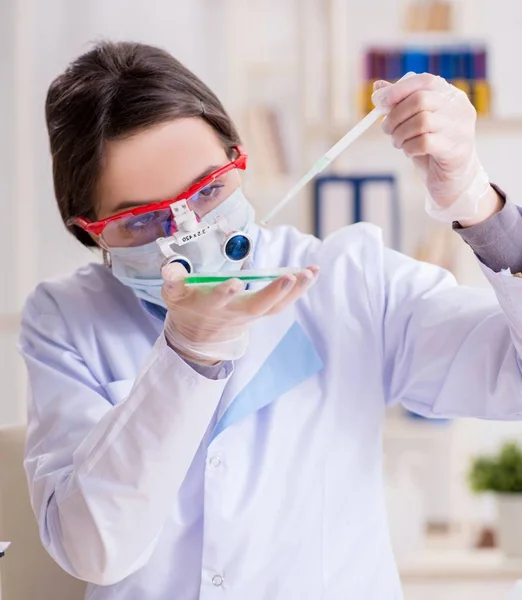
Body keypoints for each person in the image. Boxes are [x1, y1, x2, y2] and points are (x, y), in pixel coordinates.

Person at [20, 40, 522, 600]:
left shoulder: (349, 279)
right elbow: (96, 549)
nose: (187, 232)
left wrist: (479, 207)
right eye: (140, 222)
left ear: (240, 154)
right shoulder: (65, 318)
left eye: (209, 189)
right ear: (89, 230)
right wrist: (190, 347)